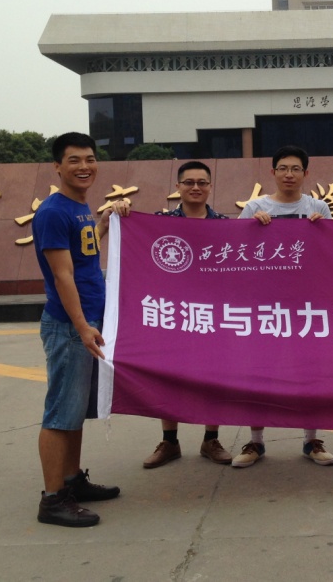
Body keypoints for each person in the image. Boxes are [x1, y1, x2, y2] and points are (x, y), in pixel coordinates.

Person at [33, 132, 131, 526]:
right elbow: (62, 274)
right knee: (61, 412)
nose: (84, 166)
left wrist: (103, 225)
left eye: (90, 159)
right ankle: (52, 499)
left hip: (89, 321)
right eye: (74, 160)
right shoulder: (53, 212)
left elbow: (84, 253)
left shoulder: (79, 207)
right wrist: (81, 326)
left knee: (75, 412)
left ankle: (72, 480)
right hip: (71, 326)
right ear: (57, 166)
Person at [233, 145, 333, 467]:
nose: (289, 174)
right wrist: (251, 229)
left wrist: (325, 229)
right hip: (264, 306)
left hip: (307, 306)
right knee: (259, 373)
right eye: (283, 168)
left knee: (309, 372)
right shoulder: (254, 207)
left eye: (295, 169)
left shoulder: (318, 207)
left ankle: (311, 440)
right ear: (273, 172)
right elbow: (234, 251)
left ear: (306, 173)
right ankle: (255, 442)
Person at [143, 160, 233, 468]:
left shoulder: (224, 224)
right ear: (178, 187)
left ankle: (211, 439)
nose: (196, 187)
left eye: (202, 182)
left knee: (213, 376)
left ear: (210, 186)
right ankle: (170, 441)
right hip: (173, 314)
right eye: (189, 182)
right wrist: (119, 213)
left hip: (212, 314)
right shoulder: (160, 222)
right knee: (168, 376)